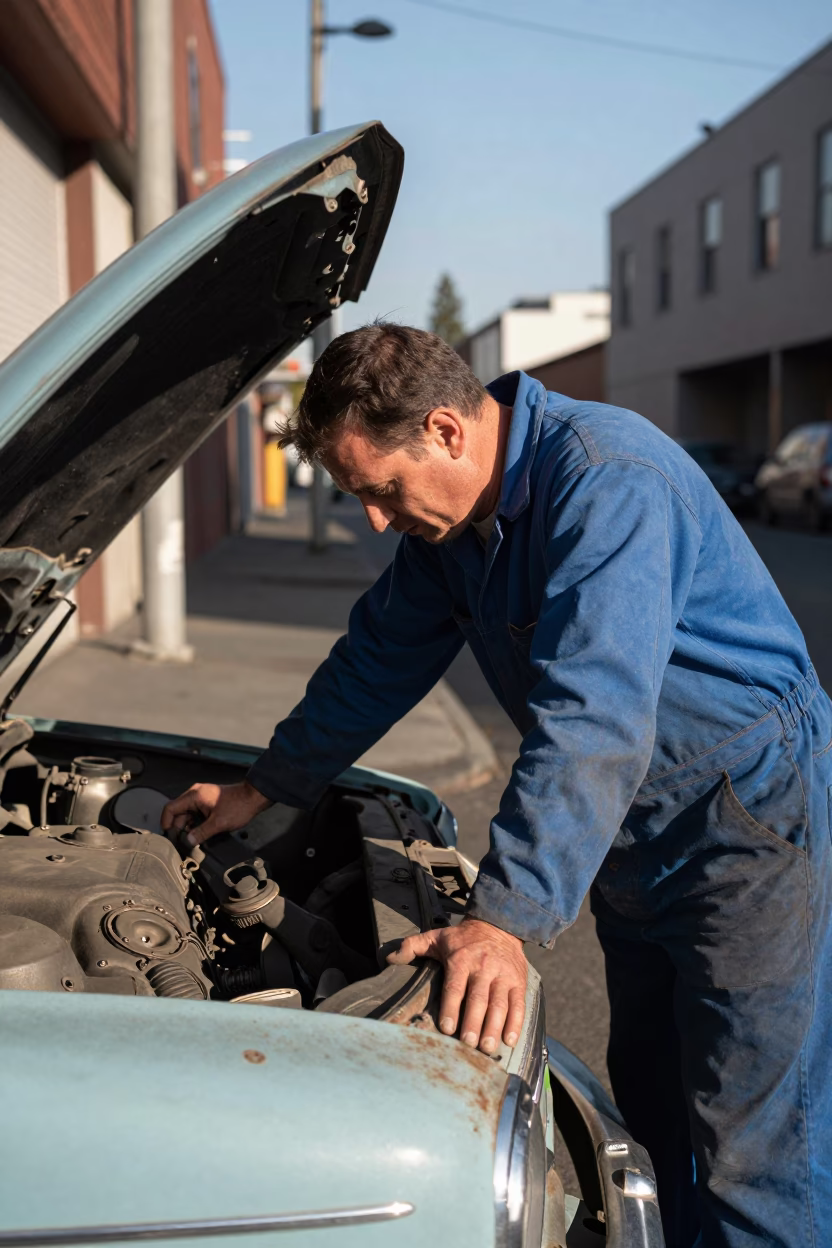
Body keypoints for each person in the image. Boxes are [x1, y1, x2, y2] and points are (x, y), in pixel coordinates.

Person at [163, 323, 832, 1248]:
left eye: (378, 490)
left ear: (445, 431)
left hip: (744, 816)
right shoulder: (457, 526)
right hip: (632, 823)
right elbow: (378, 659)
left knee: (752, 1139)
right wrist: (263, 788)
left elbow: (593, 713)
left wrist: (504, 920)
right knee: (658, 1100)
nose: (375, 519)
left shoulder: (606, 484)